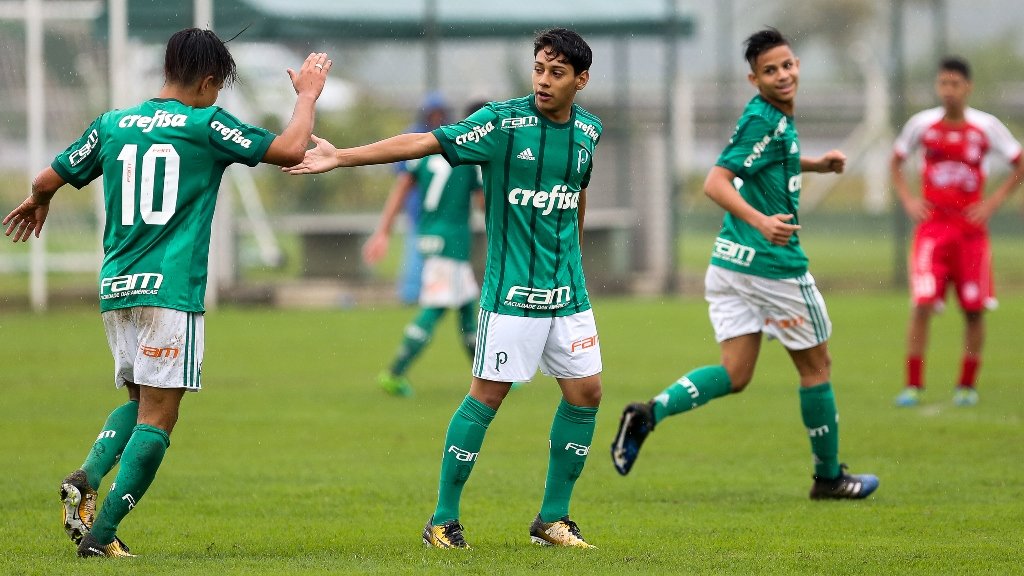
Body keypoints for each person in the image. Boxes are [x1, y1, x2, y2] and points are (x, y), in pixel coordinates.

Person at [3, 29, 331, 557]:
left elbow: (48, 177)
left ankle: (86, 478)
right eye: (217, 87)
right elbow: (292, 149)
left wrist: (39, 200)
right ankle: (101, 537)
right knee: (160, 416)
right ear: (207, 82)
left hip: (117, 288)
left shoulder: (113, 124)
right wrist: (308, 96)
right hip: (170, 290)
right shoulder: (207, 124)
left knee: (139, 402)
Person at [286, 28, 603, 548]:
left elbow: (576, 190)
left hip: (569, 295)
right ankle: (442, 521)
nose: (543, 81)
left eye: (557, 73)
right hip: (512, 294)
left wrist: (577, 254)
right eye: (538, 69)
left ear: (581, 80)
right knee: (488, 395)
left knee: (587, 393)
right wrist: (342, 156)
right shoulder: (503, 123)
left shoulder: (589, 130)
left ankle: (553, 519)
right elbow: (422, 143)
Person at [610, 28, 879, 501]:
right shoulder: (763, 119)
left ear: (797, 65)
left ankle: (650, 413)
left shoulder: (773, 119)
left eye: (787, 65)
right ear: (754, 80)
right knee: (817, 366)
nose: (783, 75)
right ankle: (828, 477)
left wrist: (816, 165)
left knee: (735, 374)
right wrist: (761, 222)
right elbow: (716, 182)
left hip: (729, 263)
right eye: (770, 71)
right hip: (772, 267)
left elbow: (768, 160)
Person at [891, 56, 1024, 408]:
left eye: (955, 84)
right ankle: (913, 386)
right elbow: (896, 160)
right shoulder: (922, 125)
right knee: (921, 305)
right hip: (932, 231)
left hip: (970, 233)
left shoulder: (986, 126)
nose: (948, 90)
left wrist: (993, 202)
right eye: (943, 83)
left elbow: (1019, 162)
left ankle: (966, 386)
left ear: (968, 87)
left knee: (974, 310)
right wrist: (908, 199)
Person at [363, 101, 484, 397]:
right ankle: (394, 373)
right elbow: (483, 204)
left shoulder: (429, 149)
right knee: (437, 306)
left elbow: (402, 187)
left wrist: (383, 231)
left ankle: (489, 374)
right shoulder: (472, 155)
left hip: (428, 233)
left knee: (466, 307)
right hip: (452, 240)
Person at [394, 93, 452, 305]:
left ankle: (439, 294)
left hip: (444, 211)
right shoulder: (413, 135)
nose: (437, 117)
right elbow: (403, 176)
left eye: (440, 113)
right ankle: (411, 294)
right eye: (432, 114)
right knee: (415, 253)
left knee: (442, 256)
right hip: (419, 208)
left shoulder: (450, 135)